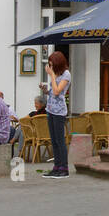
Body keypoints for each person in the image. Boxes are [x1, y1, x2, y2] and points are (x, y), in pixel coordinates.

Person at [43, 51, 71, 180]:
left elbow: (57, 91)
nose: (50, 67)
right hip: (50, 110)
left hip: (59, 112)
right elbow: (53, 93)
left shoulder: (66, 74)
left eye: (52, 64)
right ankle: (56, 167)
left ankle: (64, 168)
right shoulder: (57, 74)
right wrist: (45, 91)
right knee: (54, 141)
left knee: (60, 141)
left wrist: (52, 75)